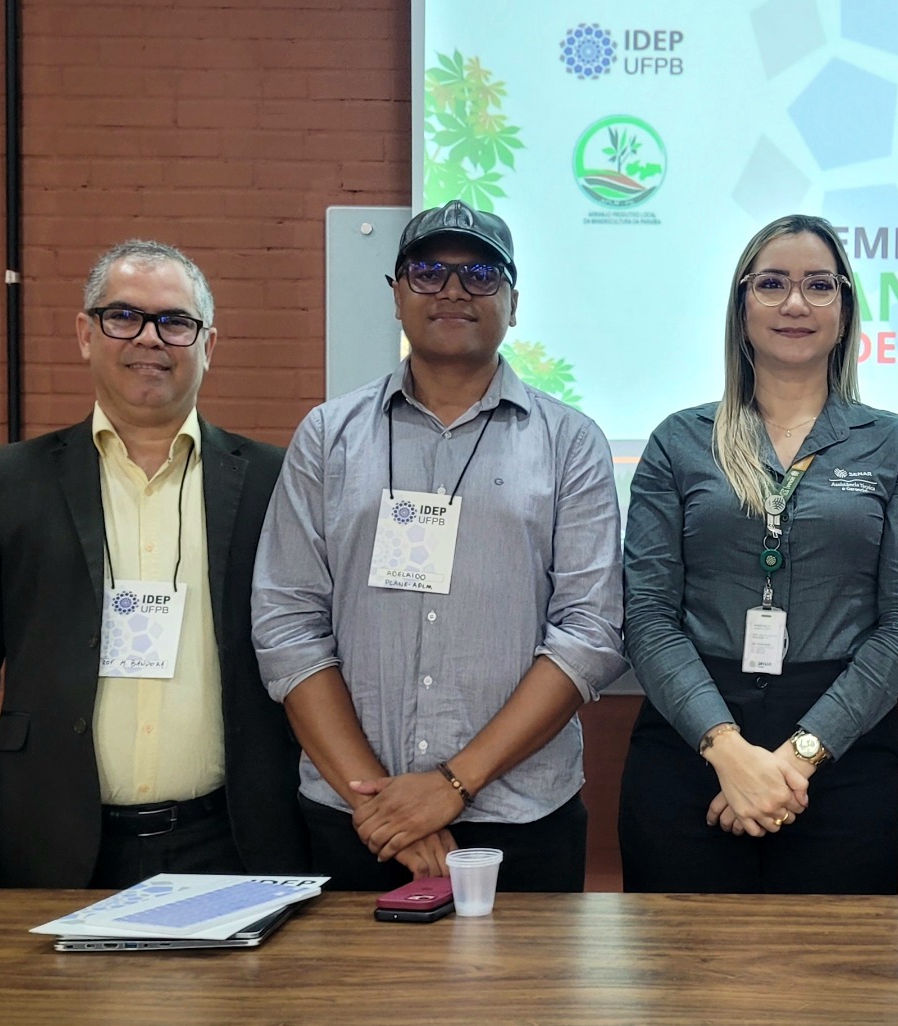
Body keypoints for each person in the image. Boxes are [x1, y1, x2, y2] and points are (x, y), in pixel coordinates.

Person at [252, 201, 625, 892]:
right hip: (354, 814)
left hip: (521, 818)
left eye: (480, 274)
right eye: (427, 272)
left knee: (524, 1004)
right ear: (395, 294)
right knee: (350, 1003)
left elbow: (589, 632)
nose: (453, 290)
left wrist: (452, 784)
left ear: (514, 303)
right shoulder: (327, 435)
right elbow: (286, 625)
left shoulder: (569, 441)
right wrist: (381, 803)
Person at [0, 241, 309, 888]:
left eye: (175, 322)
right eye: (122, 316)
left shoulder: (277, 481)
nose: (149, 339)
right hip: (50, 846)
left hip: (235, 846)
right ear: (84, 332)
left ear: (208, 344)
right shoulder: (2, 486)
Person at [618, 215, 898, 894]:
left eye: (818, 286)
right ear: (741, 308)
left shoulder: (895, 446)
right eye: (771, 284)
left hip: (842, 746)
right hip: (692, 735)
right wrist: (729, 754)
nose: (794, 304)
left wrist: (796, 758)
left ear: (845, 310)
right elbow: (647, 615)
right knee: (681, 983)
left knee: (834, 991)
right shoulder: (679, 441)